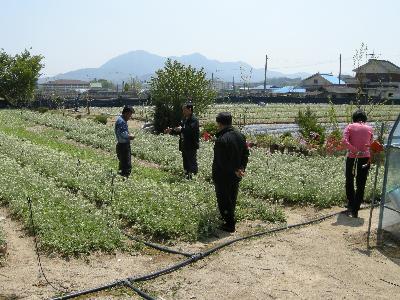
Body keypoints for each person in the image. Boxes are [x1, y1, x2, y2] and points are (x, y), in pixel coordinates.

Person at [212, 112, 249, 232]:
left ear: (219, 123)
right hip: (236, 174)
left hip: (223, 175)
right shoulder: (240, 136)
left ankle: (229, 224)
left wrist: (234, 170)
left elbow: (221, 162)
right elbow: (245, 154)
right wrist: (241, 169)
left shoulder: (221, 139)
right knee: (232, 197)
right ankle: (230, 219)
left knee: (223, 199)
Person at [342, 109, 373, 218]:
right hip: (365, 158)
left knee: (349, 179)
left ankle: (351, 203)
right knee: (361, 183)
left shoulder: (349, 127)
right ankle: (355, 209)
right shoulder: (369, 128)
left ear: (354, 118)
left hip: (352, 157)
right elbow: (371, 143)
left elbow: (344, 141)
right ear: (364, 119)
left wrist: (354, 150)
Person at [165, 102, 200, 179]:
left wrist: (182, 129)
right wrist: (172, 130)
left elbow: (190, 130)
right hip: (184, 143)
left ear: (190, 109)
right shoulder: (185, 119)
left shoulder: (194, 120)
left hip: (191, 144)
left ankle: (193, 177)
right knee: (185, 161)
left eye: (184, 110)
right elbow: (181, 130)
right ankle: (187, 175)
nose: (183, 111)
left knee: (191, 161)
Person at [114, 106, 135, 177]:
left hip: (121, 145)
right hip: (123, 146)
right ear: (126, 113)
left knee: (122, 164)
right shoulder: (121, 122)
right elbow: (123, 134)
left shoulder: (120, 120)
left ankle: (121, 177)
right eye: (130, 114)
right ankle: (124, 178)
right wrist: (131, 136)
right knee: (126, 165)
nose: (130, 117)